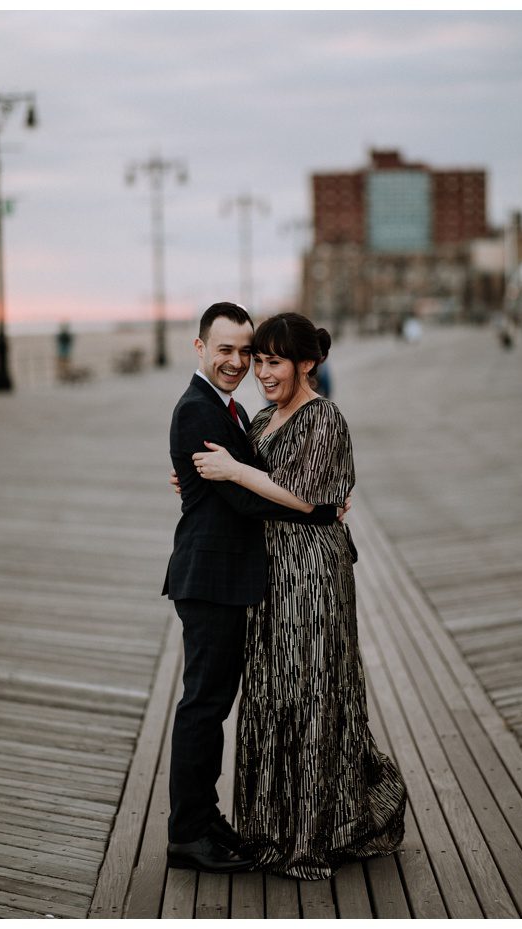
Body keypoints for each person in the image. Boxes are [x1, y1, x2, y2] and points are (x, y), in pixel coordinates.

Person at [191, 311, 408, 879]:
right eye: (258, 361)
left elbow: (304, 496)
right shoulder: (263, 418)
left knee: (312, 687)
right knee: (272, 689)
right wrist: (206, 474)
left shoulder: (325, 418)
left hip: (314, 573)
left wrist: (235, 472)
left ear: (305, 363)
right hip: (271, 572)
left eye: (274, 362)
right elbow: (245, 477)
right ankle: (270, 826)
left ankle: (312, 830)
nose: (261, 372)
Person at [163, 303, 343, 874]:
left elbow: (246, 473)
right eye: (227, 350)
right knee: (203, 707)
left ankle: (204, 818)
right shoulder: (198, 410)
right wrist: (320, 512)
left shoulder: (231, 411)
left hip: (230, 577)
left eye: (248, 352)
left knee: (212, 705)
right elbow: (243, 495)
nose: (238, 362)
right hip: (211, 577)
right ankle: (189, 833)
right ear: (199, 349)